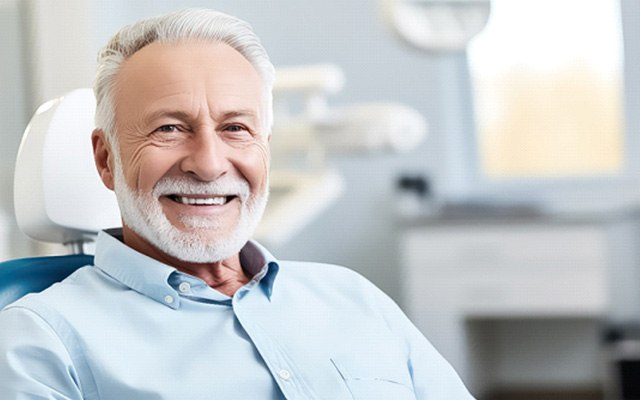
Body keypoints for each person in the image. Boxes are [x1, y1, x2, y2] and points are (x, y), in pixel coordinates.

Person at [0, 8, 473, 399]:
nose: (208, 164)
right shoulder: (41, 342)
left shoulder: (355, 299)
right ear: (107, 160)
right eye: (169, 128)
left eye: (236, 129)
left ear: (263, 147)